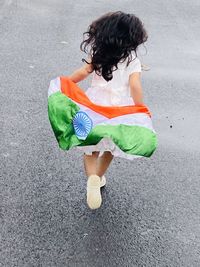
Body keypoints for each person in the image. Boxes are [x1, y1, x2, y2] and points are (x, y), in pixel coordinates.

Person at [48, 11, 157, 210]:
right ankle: (98, 177)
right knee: (110, 147)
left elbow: (83, 72)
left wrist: (66, 83)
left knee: (91, 146)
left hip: (93, 105)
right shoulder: (132, 59)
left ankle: (91, 178)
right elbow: (135, 86)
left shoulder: (99, 52)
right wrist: (139, 109)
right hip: (117, 110)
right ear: (133, 37)